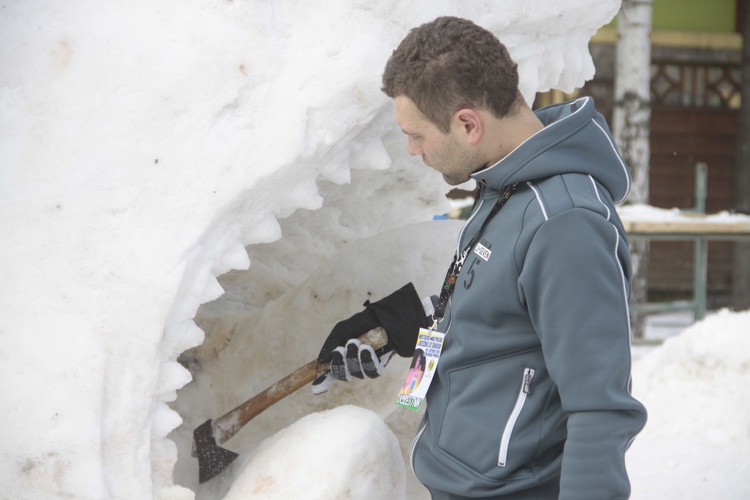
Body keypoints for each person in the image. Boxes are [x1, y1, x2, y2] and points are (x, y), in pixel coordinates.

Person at [314, 16, 647, 500]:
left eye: (417, 134)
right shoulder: (506, 184)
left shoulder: (565, 223)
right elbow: (502, 314)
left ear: (468, 123)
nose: (411, 150)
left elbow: (601, 411)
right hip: (460, 483)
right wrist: (397, 326)